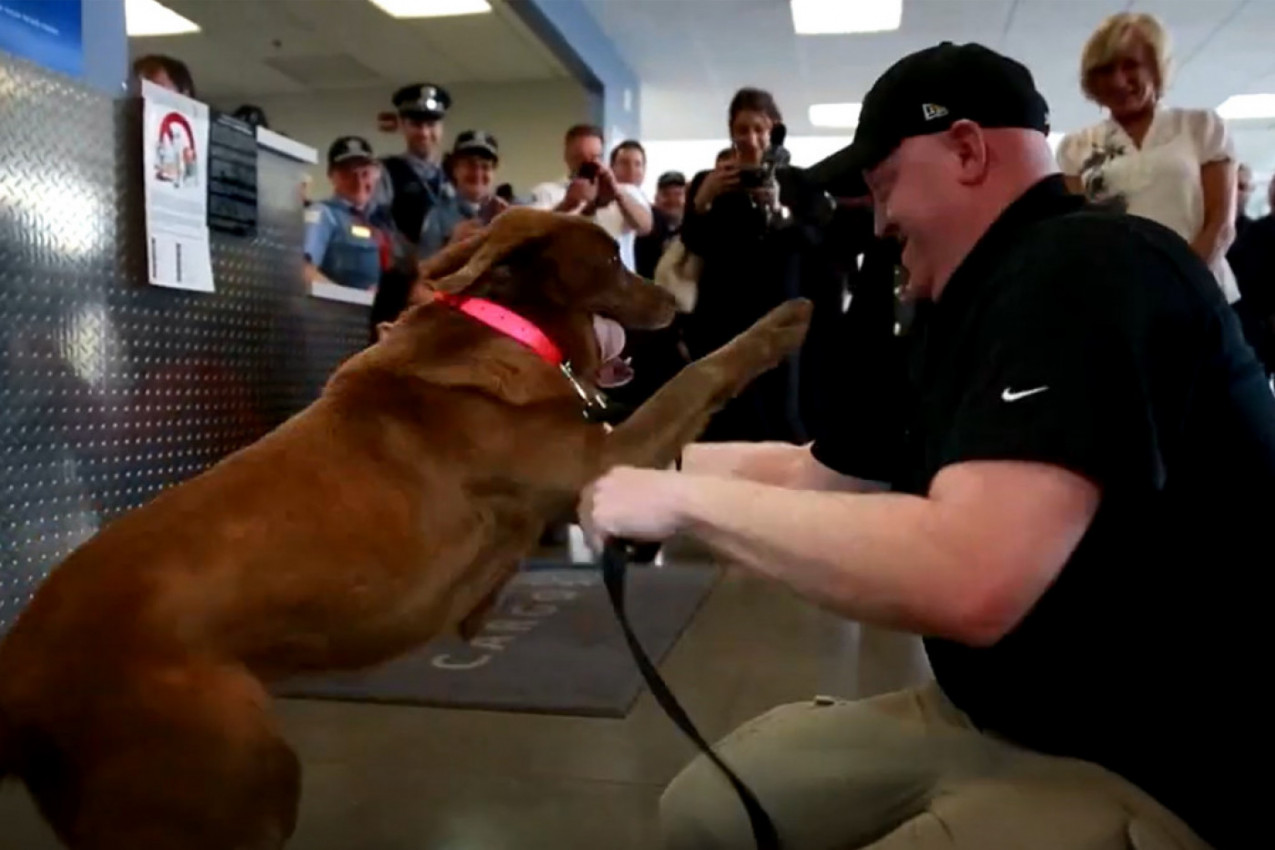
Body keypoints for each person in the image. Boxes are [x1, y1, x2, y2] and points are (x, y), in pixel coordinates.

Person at [582, 41, 1272, 850]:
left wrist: (677, 501)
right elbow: (822, 473)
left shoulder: (1091, 267)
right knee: (705, 813)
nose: (878, 221)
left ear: (968, 151)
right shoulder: (961, 303)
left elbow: (971, 576)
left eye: (884, 187)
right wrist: (630, 460)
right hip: (987, 708)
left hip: (1149, 759)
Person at [1057, 12, 1240, 303]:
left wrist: (1177, 285)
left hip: (1200, 296)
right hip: (1120, 301)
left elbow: (1221, 225)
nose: (1118, 80)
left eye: (1131, 65)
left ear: (1156, 69)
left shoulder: (1201, 127)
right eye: (1105, 69)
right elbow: (1081, 236)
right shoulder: (1075, 146)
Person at [528, 124, 653, 272]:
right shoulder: (547, 192)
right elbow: (533, 236)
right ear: (567, 156)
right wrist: (567, 204)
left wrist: (617, 194)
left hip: (616, 289)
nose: (587, 164)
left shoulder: (626, 191)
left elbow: (645, 227)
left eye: (594, 157)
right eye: (579, 157)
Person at [304, 136, 397, 291]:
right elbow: (304, 272)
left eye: (365, 173)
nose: (359, 182)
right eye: (348, 173)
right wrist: (353, 299)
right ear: (331, 176)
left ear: (377, 174)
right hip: (339, 312)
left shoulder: (384, 220)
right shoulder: (323, 215)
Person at [377, 83, 452, 248]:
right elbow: (380, 226)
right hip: (406, 268)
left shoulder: (456, 170)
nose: (424, 133)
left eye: (431, 125)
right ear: (403, 126)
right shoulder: (386, 171)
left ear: (441, 128)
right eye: (416, 125)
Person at [417, 130, 508, 259]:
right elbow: (422, 271)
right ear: (455, 169)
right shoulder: (437, 217)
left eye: (485, 166)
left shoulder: (507, 213)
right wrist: (452, 246)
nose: (477, 173)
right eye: (470, 165)